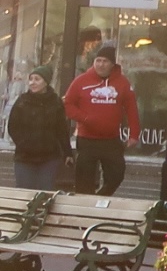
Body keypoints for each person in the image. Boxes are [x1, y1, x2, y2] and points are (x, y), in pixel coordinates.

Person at [62, 44, 140, 195]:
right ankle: (85, 205)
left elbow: (131, 109)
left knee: (117, 174)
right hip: (87, 139)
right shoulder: (81, 81)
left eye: (105, 61)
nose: (101, 64)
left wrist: (134, 134)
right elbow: (67, 104)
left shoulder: (122, 82)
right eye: (98, 61)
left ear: (112, 64)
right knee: (84, 179)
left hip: (111, 139)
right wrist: (84, 118)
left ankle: (100, 198)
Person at [7, 68, 71, 190]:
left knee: (45, 191)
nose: (32, 83)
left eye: (37, 79)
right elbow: (13, 127)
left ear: (46, 82)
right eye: (31, 79)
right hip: (25, 156)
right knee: (24, 191)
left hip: (49, 157)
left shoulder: (55, 102)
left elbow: (62, 129)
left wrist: (67, 152)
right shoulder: (22, 101)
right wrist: (23, 143)